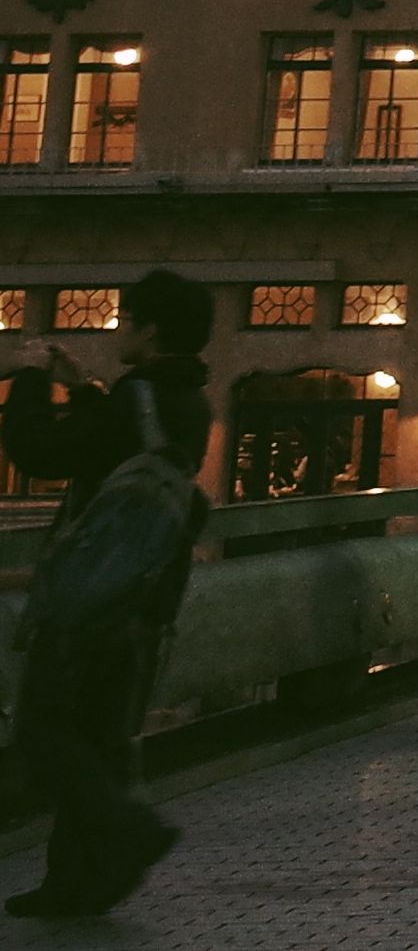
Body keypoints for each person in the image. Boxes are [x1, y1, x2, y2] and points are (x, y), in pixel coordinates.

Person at [2, 272, 213, 914]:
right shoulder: (188, 401)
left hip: (92, 597)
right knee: (100, 738)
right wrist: (85, 387)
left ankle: (126, 831)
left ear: (150, 330)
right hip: (148, 595)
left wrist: (31, 379)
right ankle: (82, 883)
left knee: (43, 729)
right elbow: (125, 441)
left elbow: (41, 450)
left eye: (127, 320)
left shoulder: (139, 395)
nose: (120, 329)